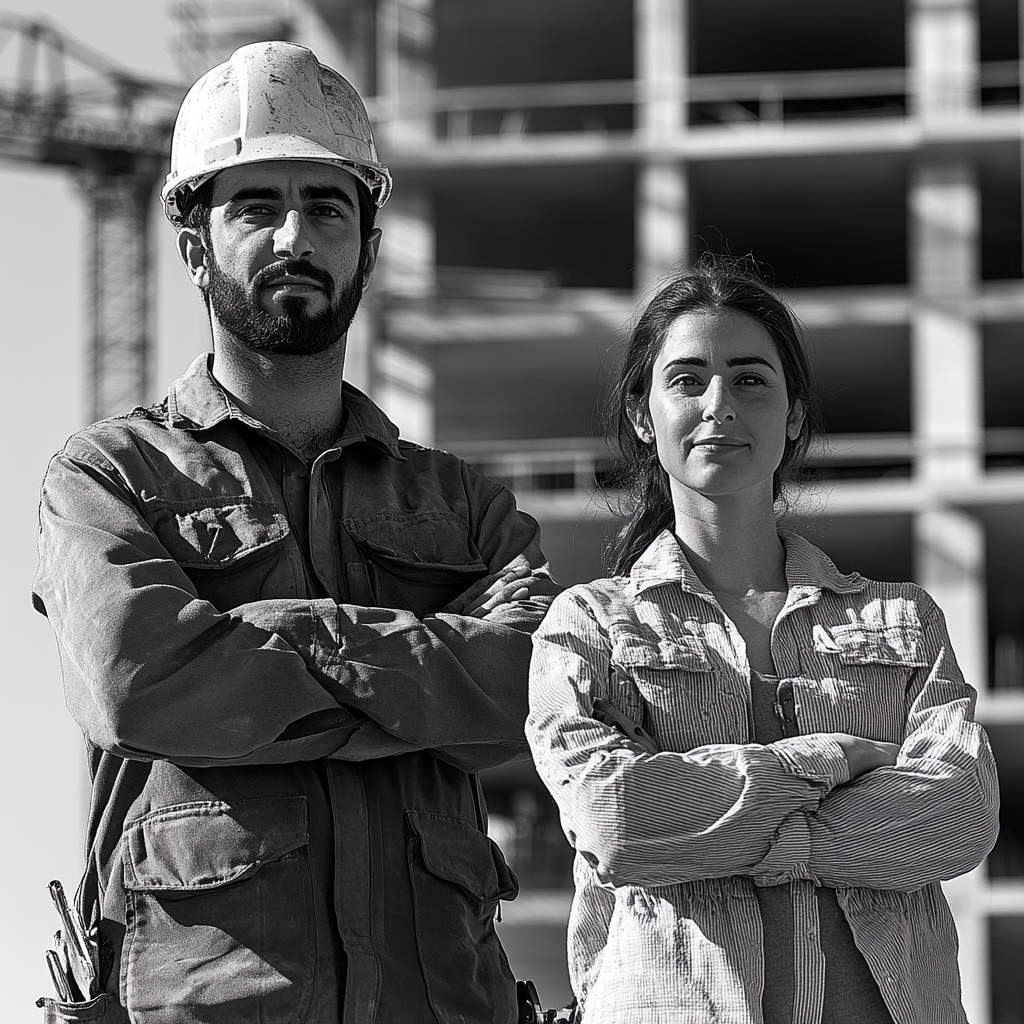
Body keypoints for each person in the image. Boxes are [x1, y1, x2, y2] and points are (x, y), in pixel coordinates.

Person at [33, 41, 560, 1024]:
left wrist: (271, 647)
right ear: (193, 244)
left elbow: (526, 692)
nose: (294, 235)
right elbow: (137, 682)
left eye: (325, 206)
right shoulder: (108, 478)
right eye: (255, 206)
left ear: (366, 236)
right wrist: (409, 690)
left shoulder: (463, 508)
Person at [525, 255, 999, 1024]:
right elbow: (616, 820)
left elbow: (958, 817)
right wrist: (818, 763)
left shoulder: (903, 620)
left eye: (750, 380)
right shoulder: (590, 626)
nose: (719, 404)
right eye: (687, 379)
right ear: (645, 417)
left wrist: (714, 826)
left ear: (795, 416)